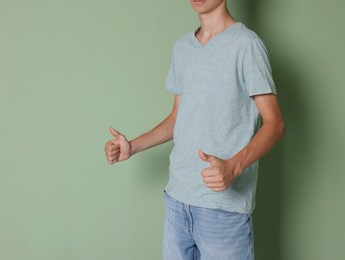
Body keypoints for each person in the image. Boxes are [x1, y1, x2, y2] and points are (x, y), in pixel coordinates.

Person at [104, 0, 285, 259]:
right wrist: (133, 146)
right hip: (178, 200)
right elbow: (179, 117)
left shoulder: (247, 45)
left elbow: (275, 124)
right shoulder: (183, 47)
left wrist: (234, 166)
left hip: (222, 209)